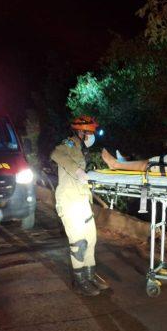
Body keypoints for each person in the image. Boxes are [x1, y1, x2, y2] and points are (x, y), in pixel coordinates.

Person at [51, 115, 109, 296]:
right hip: (69, 202)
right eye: (89, 132)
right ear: (80, 132)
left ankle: (90, 276)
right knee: (79, 244)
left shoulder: (82, 150)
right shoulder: (68, 145)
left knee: (91, 240)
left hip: (83, 201)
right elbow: (56, 154)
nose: (92, 136)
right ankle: (80, 282)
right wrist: (77, 171)